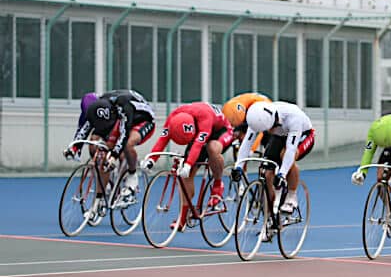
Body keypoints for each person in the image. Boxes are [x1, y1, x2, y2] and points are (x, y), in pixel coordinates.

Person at [144, 102, 233, 231]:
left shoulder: (204, 117)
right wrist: (151, 159)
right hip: (198, 133)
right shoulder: (173, 118)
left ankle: (218, 185)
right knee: (186, 176)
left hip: (221, 131)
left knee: (212, 148)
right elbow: (162, 140)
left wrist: (188, 165)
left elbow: (198, 144)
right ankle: (183, 218)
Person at [64, 89, 156, 202]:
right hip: (118, 117)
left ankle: (132, 175)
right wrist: (74, 148)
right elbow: (84, 130)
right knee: (96, 142)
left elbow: (124, 134)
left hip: (142, 119)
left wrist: (114, 155)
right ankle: (104, 188)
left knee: (127, 145)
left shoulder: (123, 107)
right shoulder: (97, 108)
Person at [232, 101, 315, 222]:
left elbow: (291, 150)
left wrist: (282, 174)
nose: (267, 131)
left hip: (303, 134)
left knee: (285, 156)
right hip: (280, 135)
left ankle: (291, 196)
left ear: (274, 122)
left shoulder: (293, 118)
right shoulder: (257, 116)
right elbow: (246, 144)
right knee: (266, 172)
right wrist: (238, 166)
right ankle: (270, 217)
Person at [221, 92, 271, 158]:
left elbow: (260, 132)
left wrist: (251, 150)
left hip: (262, 114)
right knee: (234, 135)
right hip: (247, 111)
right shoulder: (234, 108)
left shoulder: (258, 109)